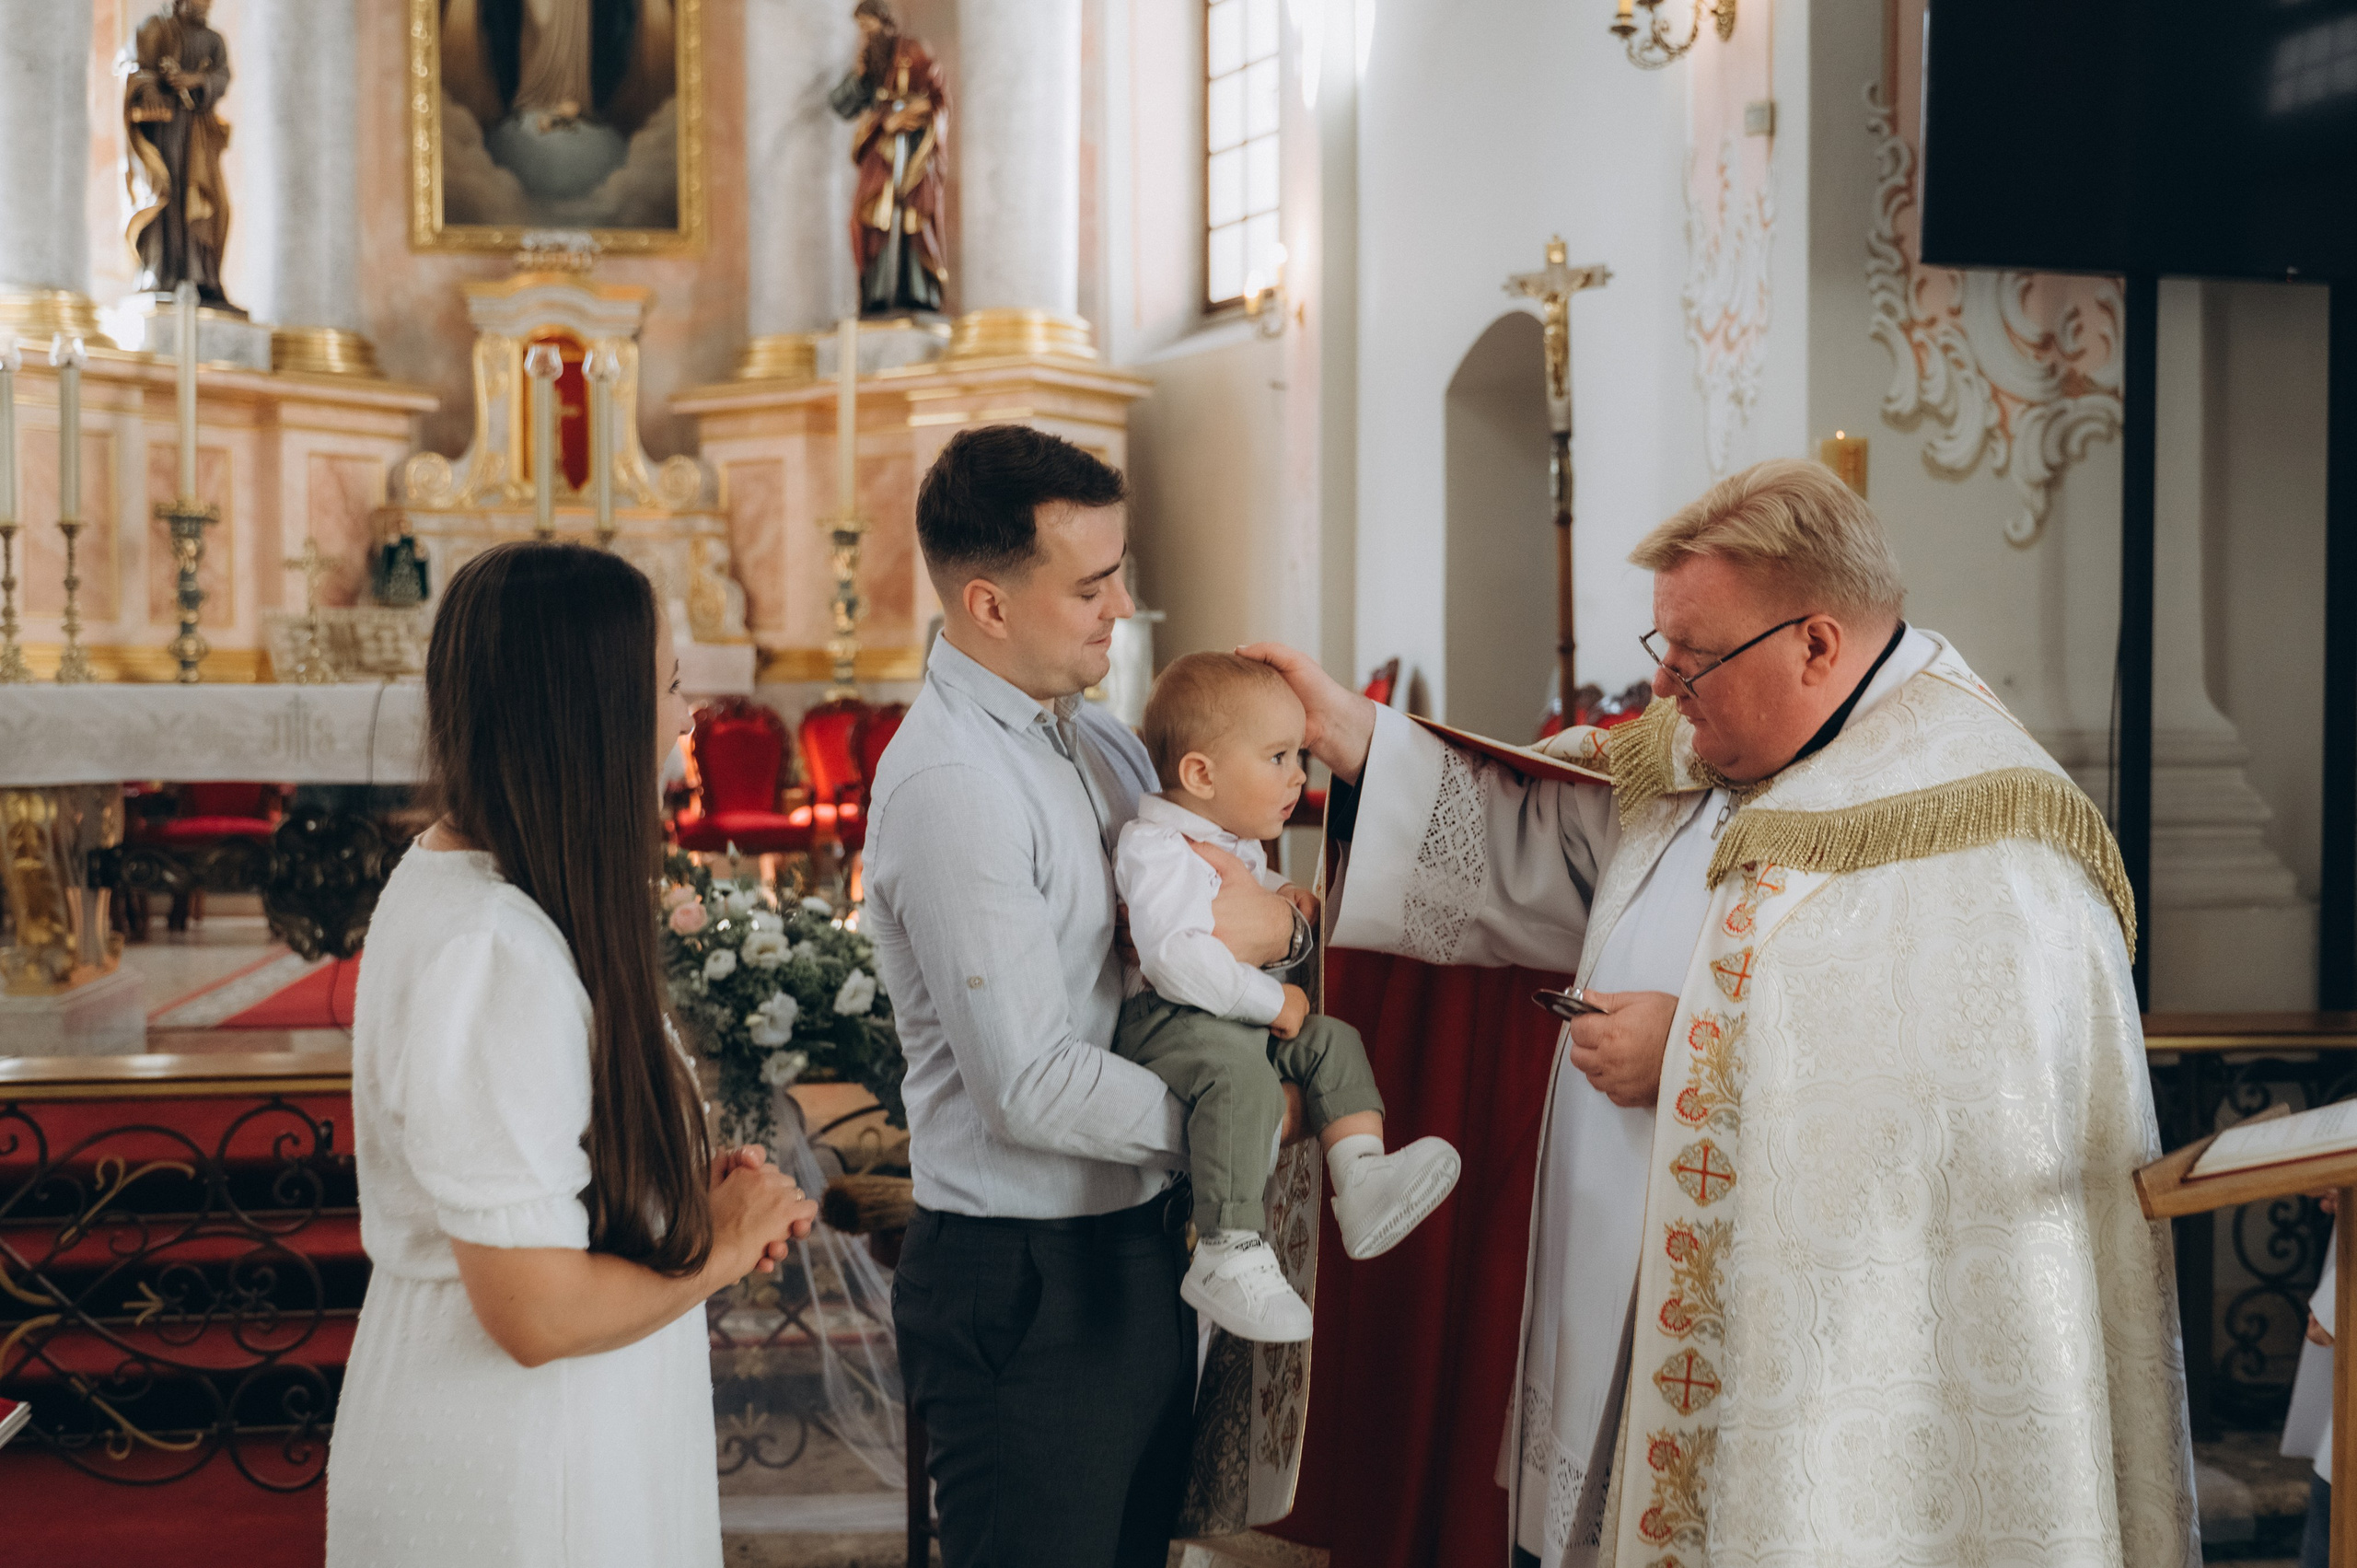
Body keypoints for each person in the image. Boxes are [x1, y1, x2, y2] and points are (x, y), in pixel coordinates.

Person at [1248, 459, 2197, 1566]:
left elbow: (1970, 1109)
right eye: (1663, 649)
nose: (1662, 691)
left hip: (1816, 1387)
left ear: (1817, 644)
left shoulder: (1990, 824)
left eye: (1694, 659)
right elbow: (1544, 860)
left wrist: (1698, 1050)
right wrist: (1355, 739)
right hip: (1603, 1317)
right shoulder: (1705, 756)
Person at [325, 542, 818, 1568]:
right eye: (671, 683)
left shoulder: (472, 882)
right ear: (587, 707)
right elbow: (536, 1311)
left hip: (555, 1434)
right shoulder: (494, 947)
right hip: (512, 1467)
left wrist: (666, 1199)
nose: (688, 715)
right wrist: (721, 1248)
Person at [864, 425, 1303, 1568]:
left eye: (1121, 573)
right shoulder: (954, 783)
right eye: (1091, 583)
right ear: (989, 603)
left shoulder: (1104, 741)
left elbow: (1215, 917)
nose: (1121, 605)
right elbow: (1030, 1082)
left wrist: (1287, 925)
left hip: (1129, 1245)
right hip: (1021, 1274)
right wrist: (1239, 1122)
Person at [1117, 651, 1460, 1342]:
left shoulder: (1225, 841)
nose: (1300, 774)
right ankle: (1226, 1247)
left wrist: (1287, 902)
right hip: (1168, 1021)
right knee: (1243, 1079)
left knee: (1335, 1042)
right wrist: (1269, 1004)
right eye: (1277, 756)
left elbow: (1257, 907)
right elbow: (1177, 957)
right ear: (1200, 773)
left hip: (1224, 1017)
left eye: (1297, 754)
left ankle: (1360, 1180)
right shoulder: (1154, 846)